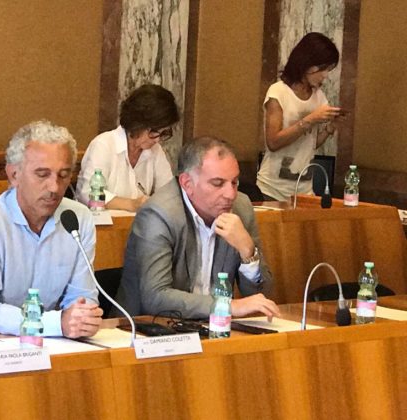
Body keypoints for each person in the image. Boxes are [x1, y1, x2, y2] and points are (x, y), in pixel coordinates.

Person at [0, 120, 103, 338]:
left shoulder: (78, 218)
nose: (55, 187)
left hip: (45, 342)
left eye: (64, 175)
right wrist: (56, 324)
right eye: (42, 174)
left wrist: (82, 319)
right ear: (14, 175)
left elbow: (83, 297)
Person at [116, 136, 279, 320]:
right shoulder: (159, 214)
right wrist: (227, 306)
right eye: (218, 183)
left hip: (214, 326)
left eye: (234, 182)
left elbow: (261, 295)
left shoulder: (241, 208)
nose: (230, 194)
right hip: (146, 328)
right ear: (187, 184)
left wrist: (248, 252)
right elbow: (155, 298)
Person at [256, 32, 345, 201]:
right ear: (307, 63)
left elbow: (310, 144)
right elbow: (273, 142)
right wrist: (310, 119)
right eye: (323, 68)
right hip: (272, 189)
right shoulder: (279, 92)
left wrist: (329, 128)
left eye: (328, 69)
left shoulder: (319, 97)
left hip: (304, 191)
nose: (325, 75)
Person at [76, 84, 179, 212]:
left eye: (164, 133)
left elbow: (169, 194)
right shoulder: (104, 145)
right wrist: (132, 205)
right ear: (137, 123)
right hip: (100, 222)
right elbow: (88, 194)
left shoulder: (155, 151)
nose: (157, 139)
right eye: (154, 131)